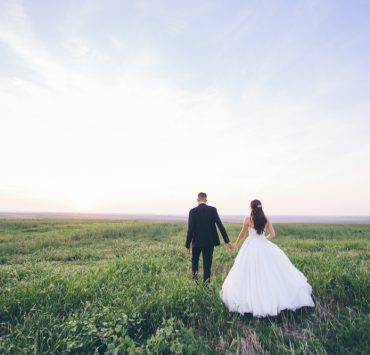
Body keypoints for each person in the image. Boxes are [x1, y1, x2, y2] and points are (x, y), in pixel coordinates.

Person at [220, 199, 315, 317]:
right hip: (262, 244)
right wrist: (263, 240)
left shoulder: (248, 219)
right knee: (269, 272)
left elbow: (243, 234)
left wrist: (235, 244)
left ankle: (253, 300)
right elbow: (273, 234)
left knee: (249, 272)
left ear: (251, 208)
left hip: (250, 246)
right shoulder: (265, 219)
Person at [185, 192, 233, 283]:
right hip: (209, 242)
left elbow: (190, 229)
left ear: (198, 199)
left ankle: (195, 282)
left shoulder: (192, 211)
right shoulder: (213, 210)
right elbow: (220, 225)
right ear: (206, 200)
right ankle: (206, 285)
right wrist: (227, 241)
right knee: (207, 264)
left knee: (195, 261)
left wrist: (187, 245)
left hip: (197, 242)